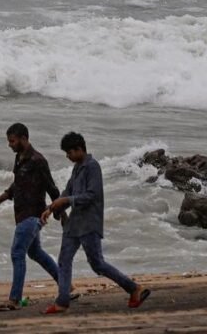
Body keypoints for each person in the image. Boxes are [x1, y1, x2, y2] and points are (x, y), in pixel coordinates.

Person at [40, 131, 150, 314]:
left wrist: (66, 201)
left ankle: (134, 288)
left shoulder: (92, 167)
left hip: (90, 223)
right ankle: (62, 301)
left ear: (79, 149)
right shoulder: (77, 168)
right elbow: (67, 191)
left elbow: (92, 195)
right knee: (64, 260)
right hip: (74, 223)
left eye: (69, 152)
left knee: (97, 264)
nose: (68, 156)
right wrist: (51, 208)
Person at [0, 122, 62, 311]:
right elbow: (16, 185)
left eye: (12, 141)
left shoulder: (38, 161)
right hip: (21, 214)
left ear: (24, 139)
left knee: (17, 252)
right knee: (35, 252)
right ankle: (66, 285)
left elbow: (52, 188)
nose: (9, 144)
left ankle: (15, 299)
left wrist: (60, 212)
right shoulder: (19, 158)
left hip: (33, 214)